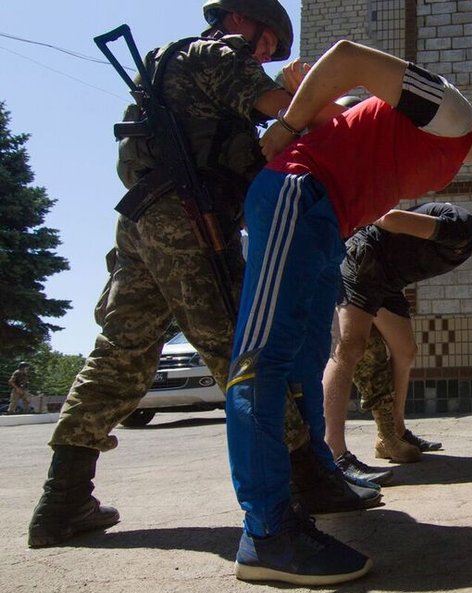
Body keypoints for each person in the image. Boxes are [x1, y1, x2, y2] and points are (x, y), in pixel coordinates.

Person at [26, 0, 378, 551]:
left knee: (120, 352)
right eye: (267, 42)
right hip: (190, 222)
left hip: (144, 221)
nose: (264, 54)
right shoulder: (218, 53)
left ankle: (62, 499)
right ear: (242, 19)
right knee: (244, 351)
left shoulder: (166, 62)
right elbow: (286, 111)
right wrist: (304, 86)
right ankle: (308, 480)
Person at [224, 39, 472, 585]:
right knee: (261, 362)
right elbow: (348, 57)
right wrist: (287, 124)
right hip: (298, 193)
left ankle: (318, 480)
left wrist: (322, 120)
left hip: (329, 220)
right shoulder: (454, 114)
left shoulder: (450, 156)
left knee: (303, 360)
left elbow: (361, 131)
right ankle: (266, 534)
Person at [324, 200, 472, 474]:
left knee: (405, 350)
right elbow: (387, 217)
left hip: (389, 281)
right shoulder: (460, 226)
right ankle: (333, 452)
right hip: (366, 261)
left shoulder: (468, 242)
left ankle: (394, 432)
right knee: (350, 348)